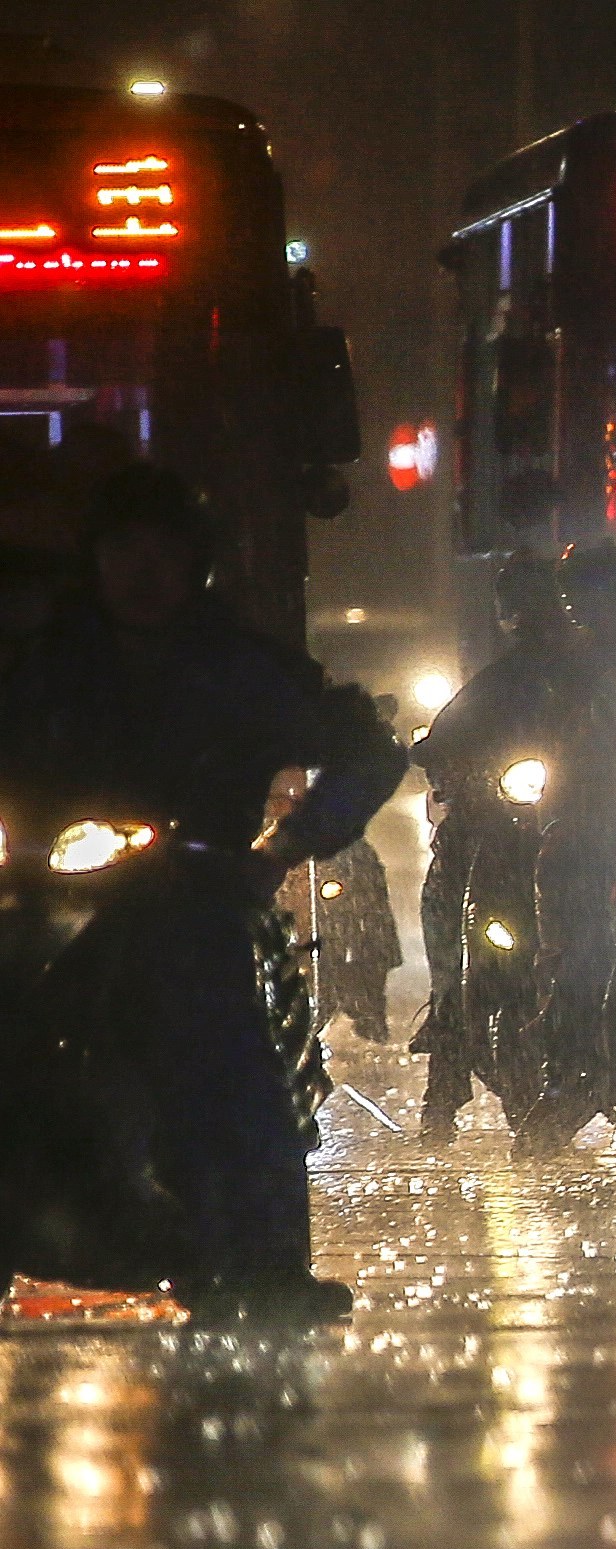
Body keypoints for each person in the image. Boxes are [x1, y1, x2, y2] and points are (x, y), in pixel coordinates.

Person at [0, 463, 405, 1321]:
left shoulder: (243, 669)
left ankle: (265, 1264)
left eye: (162, 552)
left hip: (188, 899)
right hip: (37, 904)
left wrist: (282, 845)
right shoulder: (46, 665)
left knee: (221, 1052)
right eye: (123, 551)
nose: (143, 571)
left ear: (194, 564)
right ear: (95, 562)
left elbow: (367, 750)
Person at [408, 553, 578, 1138]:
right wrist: (448, 764)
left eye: (543, 602)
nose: (533, 618)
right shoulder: (498, 684)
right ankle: (447, 1052)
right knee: (450, 903)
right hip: (505, 832)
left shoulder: (600, 677)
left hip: (590, 827)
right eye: (520, 605)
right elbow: (445, 739)